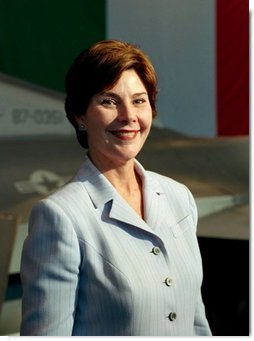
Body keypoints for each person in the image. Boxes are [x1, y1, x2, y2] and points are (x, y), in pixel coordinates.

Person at [20, 39, 212, 336]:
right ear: (79, 115)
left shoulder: (179, 198)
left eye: (139, 100)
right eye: (109, 101)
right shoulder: (59, 217)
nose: (128, 116)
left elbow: (196, 322)